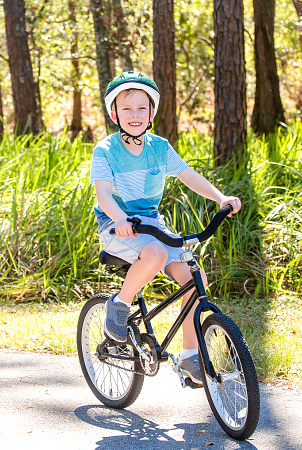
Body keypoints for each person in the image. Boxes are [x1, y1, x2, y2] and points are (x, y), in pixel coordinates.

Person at [90, 71, 241, 386]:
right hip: (116, 225)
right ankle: (119, 305)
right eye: (127, 109)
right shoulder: (105, 150)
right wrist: (119, 218)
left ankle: (189, 355)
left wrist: (220, 197)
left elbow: (188, 175)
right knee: (157, 252)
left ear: (152, 113)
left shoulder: (159, 147)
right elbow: (103, 194)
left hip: (151, 224)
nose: (135, 115)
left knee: (194, 277)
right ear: (114, 113)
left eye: (141, 108)